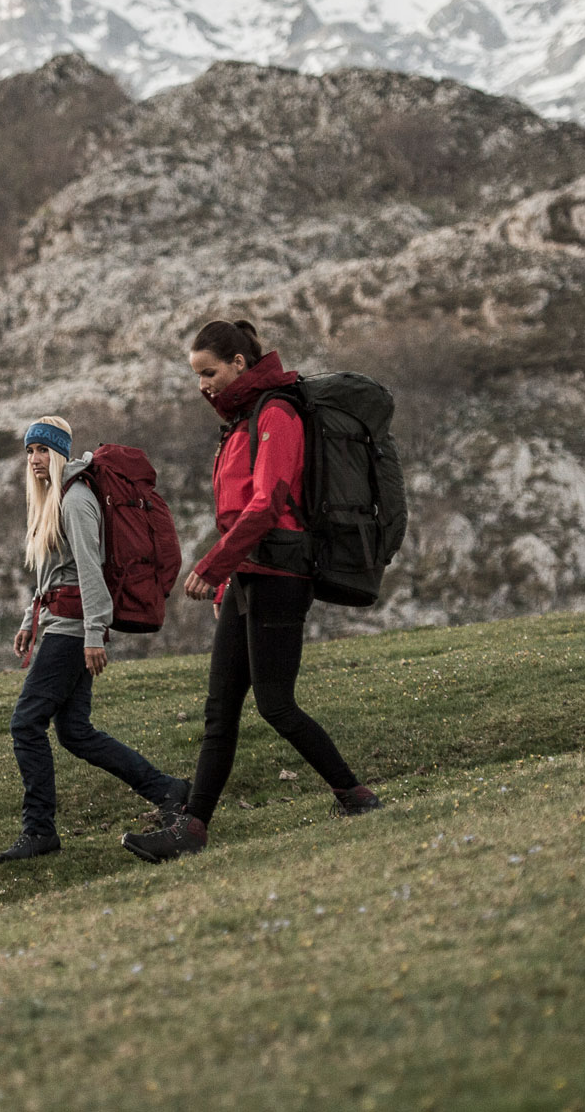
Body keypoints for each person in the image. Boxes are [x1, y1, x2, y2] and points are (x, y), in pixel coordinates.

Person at [122, 321, 379, 863]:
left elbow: (266, 505)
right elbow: (239, 511)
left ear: (240, 362)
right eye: (196, 376)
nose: (202, 386)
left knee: (276, 704)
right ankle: (192, 831)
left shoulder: (276, 414)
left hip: (279, 578)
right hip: (247, 578)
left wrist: (212, 570)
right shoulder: (240, 421)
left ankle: (355, 796)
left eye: (208, 373)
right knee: (221, 712)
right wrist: (226, 587)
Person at [0, 415, 190, 862]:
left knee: (26, 723)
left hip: (74, 631)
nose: (35, 459)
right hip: (60, 625)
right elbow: (54, 575)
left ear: (61, 452)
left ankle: (40, 830)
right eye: (29, 451)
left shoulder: (77, 499)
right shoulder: (52, 501)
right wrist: (31, 619)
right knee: (75, 733)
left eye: (43, 450)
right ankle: (170, 791)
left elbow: (90, 570)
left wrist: (93, 634)